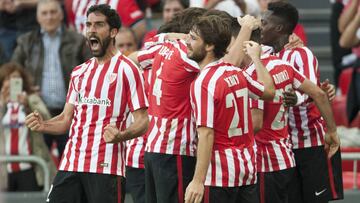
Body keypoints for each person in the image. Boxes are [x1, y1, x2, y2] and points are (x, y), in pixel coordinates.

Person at [25, 4, 149, 203]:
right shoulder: (79, 72)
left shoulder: (128, 70)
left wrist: (122, 135)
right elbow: (66, 119)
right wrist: (44, 125)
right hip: (71, 164)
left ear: (113, 31)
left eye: (99, 25)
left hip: (106, 166)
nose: (91, 29)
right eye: (88, 24)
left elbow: (143, 120)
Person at [184, 15, 276, 203]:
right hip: (247, 169)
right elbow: (269, 92)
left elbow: (207, 134)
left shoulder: (203, 83)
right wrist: (257, 60)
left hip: (219, 176)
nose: (187, 41)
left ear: (209, 46)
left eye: (193, 38)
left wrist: (197, 181)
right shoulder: (236, 72)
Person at [260, 2, 343, 202]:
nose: (260, 27)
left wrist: (296, 98)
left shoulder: (300, 53)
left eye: (264, 23)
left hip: (309, 142)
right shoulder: (264, 55)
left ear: (278, 28)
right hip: (284, 146)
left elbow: (314, 91)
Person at [135, 7, 207, 203]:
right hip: (176, 148)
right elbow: (227, 63)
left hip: (154, 147)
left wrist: (170, 36)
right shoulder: (187, 54)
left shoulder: (164, 47)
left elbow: (133, 57)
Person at [11, 0, 92, 161]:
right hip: (38, 111)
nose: (49, 17)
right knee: (39, 163)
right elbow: (13, 72)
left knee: (74, 163)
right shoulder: (26, 41)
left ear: (61, 15)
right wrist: (25, 90)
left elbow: (92, 70)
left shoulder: (78, 40)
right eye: (44, 13)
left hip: (71, 113)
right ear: (38, 17)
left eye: (53, 12)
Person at [0, 62, 56, 191]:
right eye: (8, 78)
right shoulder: (1, 102)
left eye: (16, 78)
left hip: (30, 166)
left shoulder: (32, 99)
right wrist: (2, 105)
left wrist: (28, 106)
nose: (12, 82)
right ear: (2, 81)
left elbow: (47, 120)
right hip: (3, 168)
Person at [64, 0, 147, 43]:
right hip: (83, 55)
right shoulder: (72, 2)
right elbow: (72, 28)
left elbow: (139, 27)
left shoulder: (119, 1)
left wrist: (116, 45)